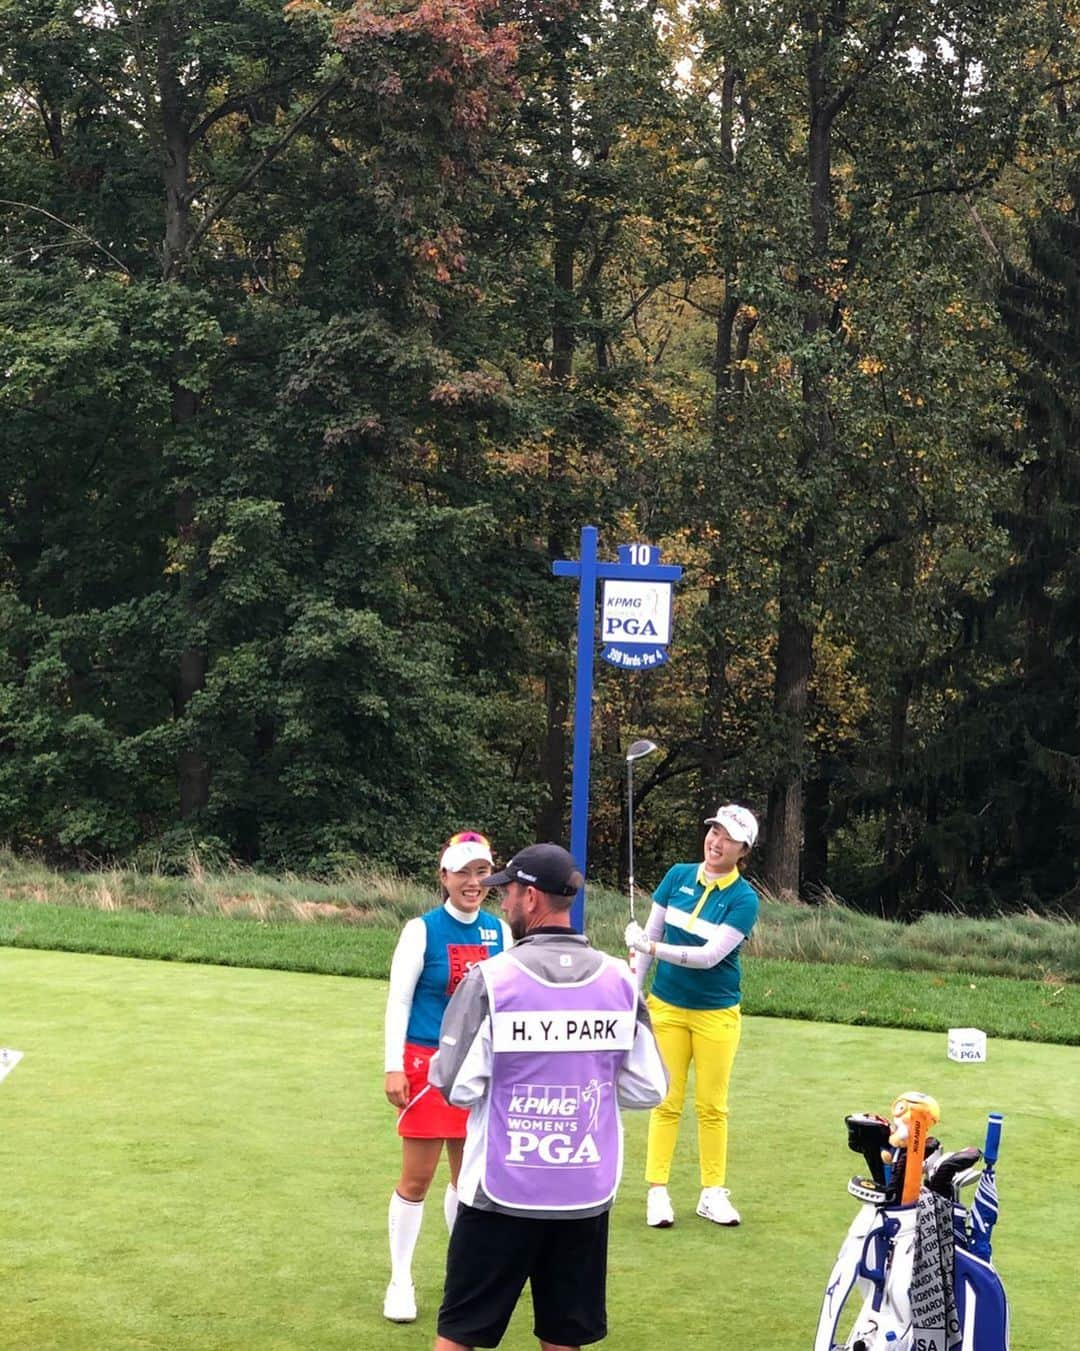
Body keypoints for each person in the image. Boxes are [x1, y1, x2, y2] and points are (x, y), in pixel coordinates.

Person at [428, 843, 668, 1351]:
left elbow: (454, 1084)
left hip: (499, 1188)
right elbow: (649, 1086)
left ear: (530, 898)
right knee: (564, 1337)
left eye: (508, 892)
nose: (503, 904)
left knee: (460, 1334)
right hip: (584, 1190)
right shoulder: (619, 980)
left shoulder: (491, 979)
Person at [383, 831, 512, 1324]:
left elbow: (506, 1002)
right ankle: (400, 1279)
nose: (473, 882)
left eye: (481, 872)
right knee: (417, 1178)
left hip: (479, 1067)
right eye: (462, 872)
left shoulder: (500, 932)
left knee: (470, 1180)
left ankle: (462, 1279)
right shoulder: (422, 930)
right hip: (426, 1064)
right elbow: (399, 1000)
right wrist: (392, 1065)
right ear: (444, 877)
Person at [624, 802, 760, 1230]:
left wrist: (650, 949)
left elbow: (707, 957)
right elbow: (650, 935)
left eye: (728, 838)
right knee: (666, 1098)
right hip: (666, 1007)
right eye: (714, 832)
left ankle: (712, 1193)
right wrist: (633, 990)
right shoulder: (677, 876)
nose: (716, 842)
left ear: (743, 851)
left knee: (712, 1105)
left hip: (716, 1013)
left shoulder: (743, 899)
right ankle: (657, 1192)